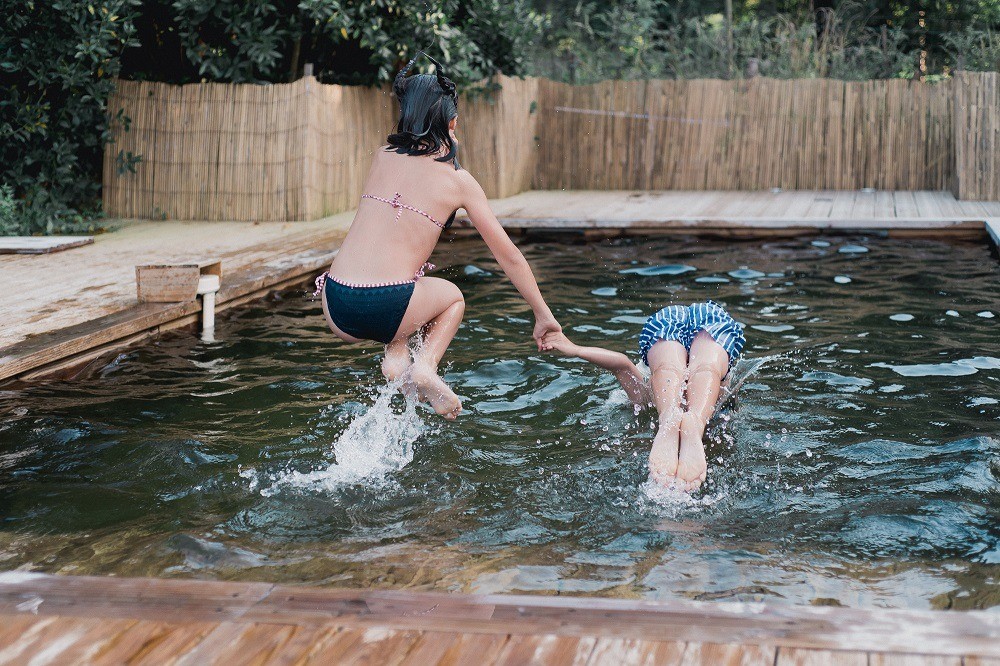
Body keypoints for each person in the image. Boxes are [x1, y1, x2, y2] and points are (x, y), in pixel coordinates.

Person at [315, 52, 561, 420]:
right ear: (453, 122)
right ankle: (425, 367)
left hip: (335, 305)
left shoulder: (382, 155)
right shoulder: (458, 181)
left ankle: (396, 358)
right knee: (450, 298)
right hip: (388, 304)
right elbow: (509, 256)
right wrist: (543, 315)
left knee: (409, 286)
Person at [543, 301, 745, 491]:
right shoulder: (715, 403)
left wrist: (577, 349)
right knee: (705, 370)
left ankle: (670, 417)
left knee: (670, 369)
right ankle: (695, 420)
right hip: (710, 320)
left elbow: (622, 366)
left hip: (668, 321)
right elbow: (621, 366)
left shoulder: (648, 399)